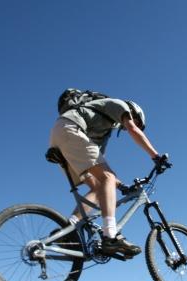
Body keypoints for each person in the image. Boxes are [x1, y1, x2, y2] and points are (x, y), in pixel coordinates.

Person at [49, 91, 169, 257]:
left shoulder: (103, 131)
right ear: (134, 113)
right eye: (135, 121)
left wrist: (120, 186)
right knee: (107, 178)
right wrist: (156, 156)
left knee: (99, 187)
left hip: (61, 135)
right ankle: (110, 236)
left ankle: (69, 228)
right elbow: (133, 130)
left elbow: (99, 165)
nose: (128, 126)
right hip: (70, 127)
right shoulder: (119, 104)